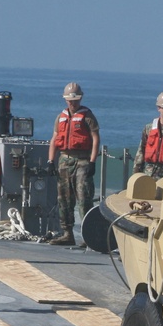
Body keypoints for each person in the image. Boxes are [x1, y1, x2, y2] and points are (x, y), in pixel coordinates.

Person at [47, 81, 100, 246]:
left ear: (81, 98)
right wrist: (51, 160)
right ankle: (67, 233)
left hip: (82, 160)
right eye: (70, 99)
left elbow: (95, 139)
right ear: (65, 99)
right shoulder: (60, 117)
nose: (72, 102)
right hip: (64, 160)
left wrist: (92, 161)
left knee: (84, 197)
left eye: (75, 99)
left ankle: (87, 235)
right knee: (64, 198)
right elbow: (55, 139)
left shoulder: (87, 116)